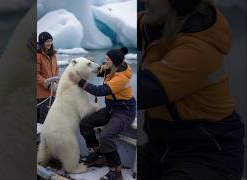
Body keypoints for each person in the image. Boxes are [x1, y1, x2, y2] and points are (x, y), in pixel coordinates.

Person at [137, 0, 245, 180]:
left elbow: (144, 91)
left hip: (207, 154)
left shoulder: (197, 50)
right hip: (162, 148)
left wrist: (86, 79)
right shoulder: (159, 23)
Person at [69, 47, 136, 180]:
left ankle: (116, 171)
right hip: (111, 108)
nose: (105, 61)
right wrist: (88, 63)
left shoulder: (121, 78)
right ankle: (97, 154)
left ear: (115, 63)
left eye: (107, 60)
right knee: (85, 123)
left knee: (106, 135)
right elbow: (99, 71)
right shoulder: (111, 68)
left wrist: (79, 81)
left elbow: (99, 91)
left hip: (124, 111)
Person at [36, 31, 59, 124]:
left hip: (52, 93)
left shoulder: (53, 55)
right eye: (47, 41)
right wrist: (48, 85)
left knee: (53, 118)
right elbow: (36, 74)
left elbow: (56, 69)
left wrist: (57, 82)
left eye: (50, 41)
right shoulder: (38, 56)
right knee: (44, 120)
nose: (49, 43)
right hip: (42, 94)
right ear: (42, 43)